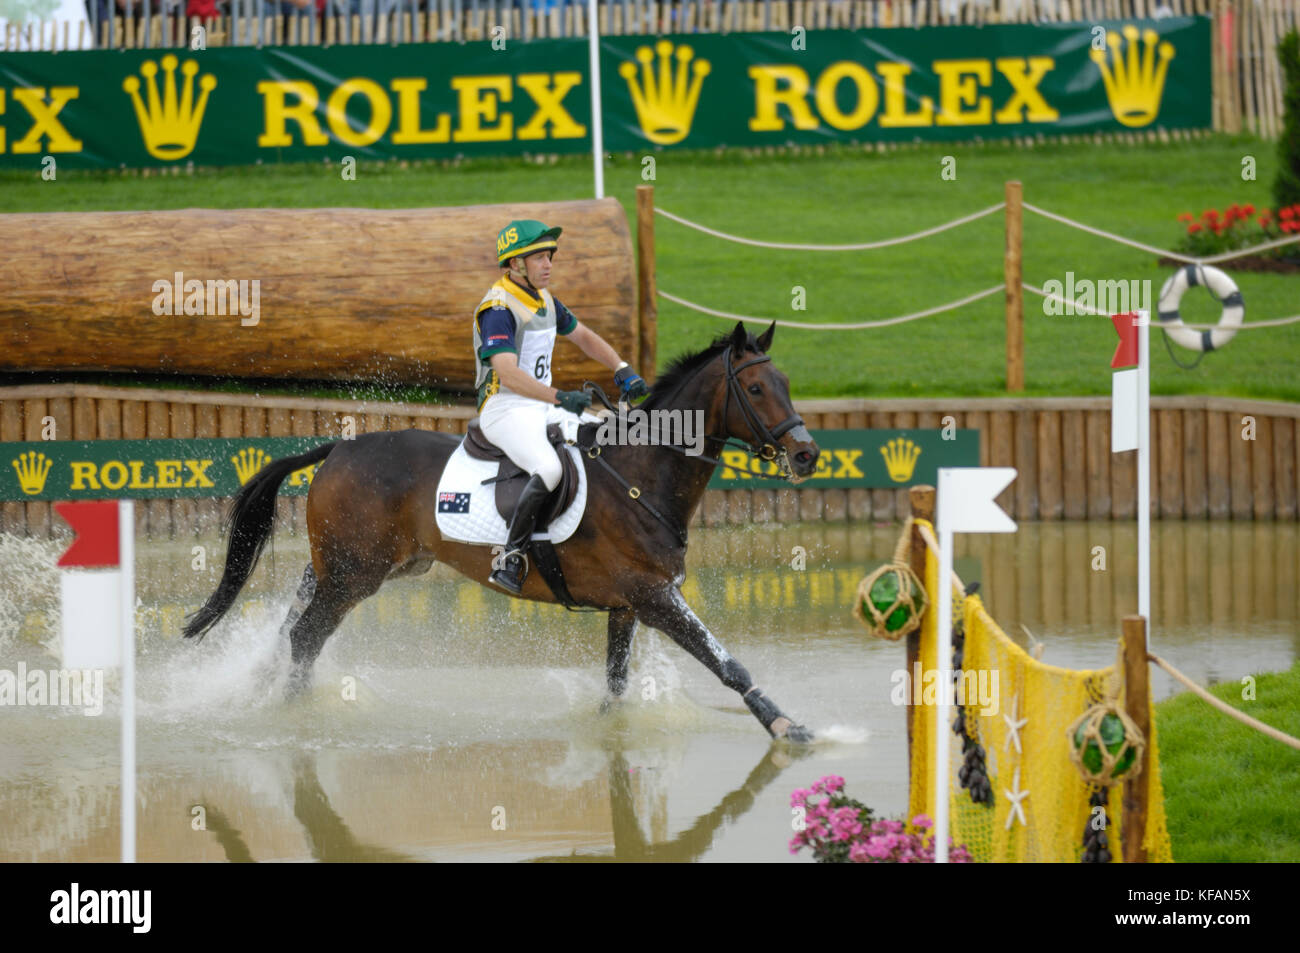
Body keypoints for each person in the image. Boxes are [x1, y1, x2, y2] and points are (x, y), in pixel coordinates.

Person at [474, 219, 650, 594]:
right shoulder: (498, 308)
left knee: (606, 433)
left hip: (537, 405)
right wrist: (560, 398)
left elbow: (583, 336)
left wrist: (621, 368)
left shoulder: (546, 299)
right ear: (515, 265)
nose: (548, 264)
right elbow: (506, 375)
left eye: (550, 256)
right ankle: (511, 557)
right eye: (539, 257)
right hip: (504, 409)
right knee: (550, 468)